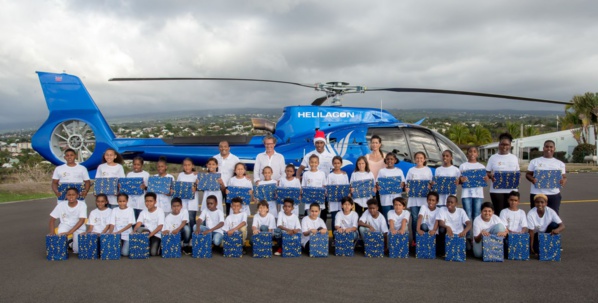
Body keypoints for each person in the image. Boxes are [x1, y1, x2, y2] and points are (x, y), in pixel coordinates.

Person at [526, 140, 567, 214]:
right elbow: (528, 174)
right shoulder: (534, 161)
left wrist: (563, 180)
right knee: (536, 215)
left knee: (553, 216)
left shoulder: (560, 163)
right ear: (543, 148)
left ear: (554, 148)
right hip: (537, 193)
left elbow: (564, 177)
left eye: (551, 147)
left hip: (553, 193)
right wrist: (532, 179)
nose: (549, 149)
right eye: (547, 147)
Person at [486, 132, 520, 213]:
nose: (504, 146)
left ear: (510, 145)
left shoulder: (514, 158)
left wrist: (518, 180)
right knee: (499, 212)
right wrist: (491, 175)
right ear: (499, 144)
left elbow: (518, 172)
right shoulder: (493, 158)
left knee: (510, 212)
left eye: (507, 144)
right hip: (496, 191)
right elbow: (487, 172)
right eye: (502, 144)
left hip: (511, 190)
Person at [459, 146, 487, 238]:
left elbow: (485, 179)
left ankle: (475, 236)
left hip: (478, 194)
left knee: (476, 215)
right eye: (470, 151)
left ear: (477, 154)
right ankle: (467, 236)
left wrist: (486, 179)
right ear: (467, 154)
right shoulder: (463, 166)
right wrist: (461, 179)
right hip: (466, 194)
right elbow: (458, 180)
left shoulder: (481, 166)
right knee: (467, 215)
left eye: (474, 152)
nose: (472, 154)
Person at [48, 187, 87, 254]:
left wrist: (69, 232)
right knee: (61, 236)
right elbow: (52, 220)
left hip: (78, 226)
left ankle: (71, 243)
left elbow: (81, 221)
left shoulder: (82, 205)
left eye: (73, 195)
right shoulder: (61, 205)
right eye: (69, 195)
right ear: (66, 196)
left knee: (77, 251)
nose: (71, 197)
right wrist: (52, 233)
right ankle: (68, 242)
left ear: (77, 195)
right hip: (65, 225)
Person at [405, 151, 433, 239]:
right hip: (413, 200)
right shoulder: (411, 170)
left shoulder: (427, 170)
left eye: (421, 158)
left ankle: (423, 238)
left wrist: (430, 185)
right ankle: (415, 239)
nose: (419, 159)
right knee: (414, 218)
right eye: (417, 158)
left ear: (424, 159)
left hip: (424, 199)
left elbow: (431, 183)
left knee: (423, 219)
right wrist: (406, 188)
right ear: (414, 159)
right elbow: (407, 183)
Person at [133, 192, 165, 257]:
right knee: (139, 229)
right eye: (147, 201)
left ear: (155, 202)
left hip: (156, 234)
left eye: (151, 201)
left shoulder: (160, 211)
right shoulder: (143, 212)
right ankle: (147, 244)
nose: (148, 203)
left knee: (153, 253)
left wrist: (150, 235)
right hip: (146, 233)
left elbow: (160, 226)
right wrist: (134, 231)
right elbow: (138, 224)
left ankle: (159, 245)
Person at [214, 140, 240, 216]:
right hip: (217, 186)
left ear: (229, 148)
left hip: (230, 187)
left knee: (230, 207)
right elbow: (210, 171)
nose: (223, 148)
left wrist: (246, 176)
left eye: (225, 146)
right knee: (216, 206)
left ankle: (229, 225)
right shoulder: (215, 158)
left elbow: (239, 170)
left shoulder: (235, 159)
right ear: (219, 148)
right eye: (221, 147)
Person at [377, 152, 405, 219]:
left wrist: (402, 184)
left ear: (395, 160)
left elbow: (403, 182)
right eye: (388, 159)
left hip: (396, 198)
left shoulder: (399, 171)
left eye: (391, 159)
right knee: (387, 217)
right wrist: (378, 186)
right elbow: (377, 182)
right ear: (385, 160)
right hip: (385, 199)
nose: (389, 161)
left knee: (396, 216)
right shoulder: (382, 171)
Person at [301, 154, 328, 220]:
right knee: (309, 217)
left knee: (317, 218)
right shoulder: (306, 174)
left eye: (315, 162)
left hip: (319, 200)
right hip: (309, 200)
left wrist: (324, 194)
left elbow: (324, 186)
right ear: (309, 163)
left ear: (318, 163)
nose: (313, 164)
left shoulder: (322, 173)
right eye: (312, 162)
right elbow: (303, 187)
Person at [327, 156, 349, 230]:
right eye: (335, 163)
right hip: (333, 202)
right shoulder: (330, 176)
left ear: (341, 164)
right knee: (334, 219)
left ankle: (342, 237)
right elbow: (328, 188)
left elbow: (347, 187)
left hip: (342, 201)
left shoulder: (344, 175)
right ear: (333, 164)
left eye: (338, 163)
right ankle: (334, 237)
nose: (337, 165)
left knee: (342, 219)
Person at [177, 158, 199, 230]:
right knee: (183, 220)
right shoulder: (180, 175)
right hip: (183, 202)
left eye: (189, 165)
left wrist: (196, 187)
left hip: (192, 202)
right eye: (185, 165)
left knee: (192, 219)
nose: (187, 167)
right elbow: (177, 187)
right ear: (183, 166)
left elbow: (200, 187)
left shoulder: (196, 175)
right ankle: (185, 236)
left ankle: (193, 237)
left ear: (192, 166)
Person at [126, 156, 150, 220]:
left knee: (141, 221)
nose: (136, 166)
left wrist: (145, 187)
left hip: (141, 203)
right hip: (131, 203)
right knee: (132, 221)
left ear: (142, 165)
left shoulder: (146, 174)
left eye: (138, 165)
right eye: (134, 164)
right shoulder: (129, 175)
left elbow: (149, 189)